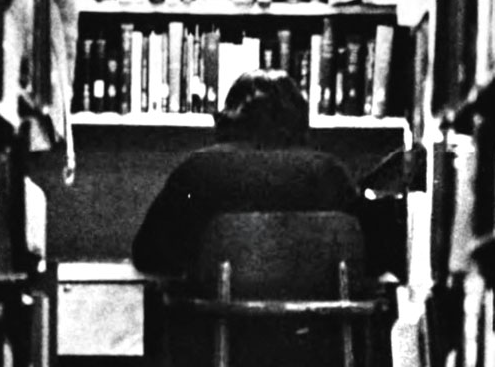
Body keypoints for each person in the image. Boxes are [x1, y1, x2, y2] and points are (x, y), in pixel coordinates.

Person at [131, 69, 361, 277]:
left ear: (231, 114)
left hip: (215, 319)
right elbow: (371, 254)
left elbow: (148, 254)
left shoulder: (198, 170)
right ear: (299, 115)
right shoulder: (330, 172)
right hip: (315, 320)